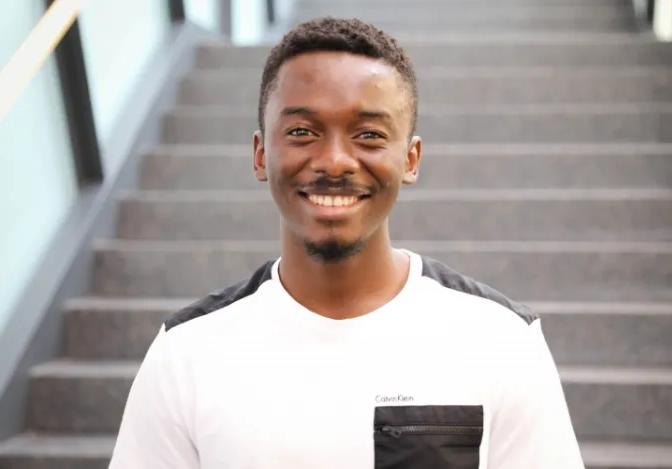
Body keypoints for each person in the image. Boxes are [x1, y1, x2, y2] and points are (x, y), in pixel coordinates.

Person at [108, 17, 584, 469]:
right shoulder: (187, 353)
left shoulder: (498, 340)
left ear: (410, 159)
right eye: (301, 132)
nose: (335, 161)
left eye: (369, 135)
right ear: (260, 154)